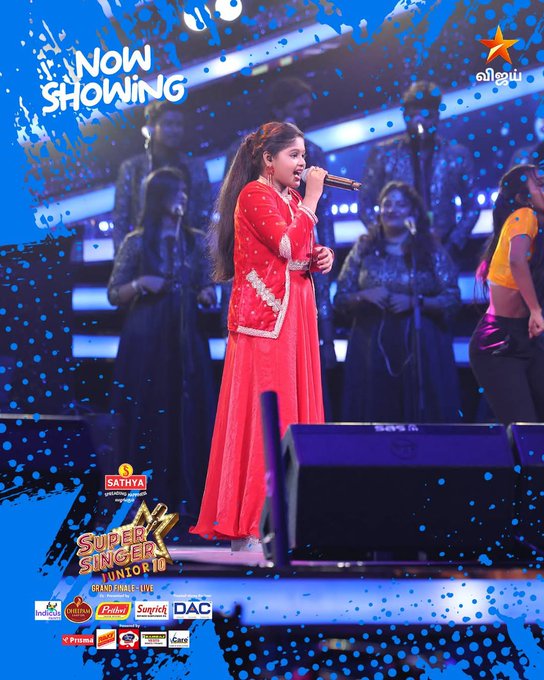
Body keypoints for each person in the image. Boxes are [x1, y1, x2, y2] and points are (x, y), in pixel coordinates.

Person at [190, 121, 334, 550]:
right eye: (294, 155)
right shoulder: (254, 194)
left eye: (304, 156)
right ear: (268, 159)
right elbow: (284, 246)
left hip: (295, 315)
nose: (303, 163)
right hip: (266, 321)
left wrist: (320, 256)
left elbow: (297, 253)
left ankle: (296, 518)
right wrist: (313, 200)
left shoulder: (291, 199)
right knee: (270, 415)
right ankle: (255, 523)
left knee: (297, 412)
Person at [108, 167, 217, 522]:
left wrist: (206, 295)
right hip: (146, 338)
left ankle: (189, 497)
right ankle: (139, 501)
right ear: (159, 197)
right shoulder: (137, 241)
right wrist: (141, 283)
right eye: (176, 191)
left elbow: (208, 285)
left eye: (185, 190)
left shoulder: (195, 240)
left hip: (185, 338)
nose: (183, 197)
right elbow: (114, 293)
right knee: (147, 410)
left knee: (188, 410)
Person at [335, 181, 461, 423]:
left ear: (413, 212)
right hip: (370, 351)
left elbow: (452, 298)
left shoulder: (430, 249)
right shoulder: (364, 247)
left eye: (401, 205)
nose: (392, 210)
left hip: (421, 349)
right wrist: (364, 295)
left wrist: (416, 302)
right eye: (387, 204)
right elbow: (340, 298)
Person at [358, 81, 480, 264]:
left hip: (444, 250)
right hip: (395, 254)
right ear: (404, 116)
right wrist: (385, 239)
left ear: (437, 116)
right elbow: (364, 202)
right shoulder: (384, 154)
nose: (419, 122)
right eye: (412, 116)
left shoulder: (456, 155)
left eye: (426, 115)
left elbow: (472, 207)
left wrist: (453, 244)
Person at [469, 164, 544, 425]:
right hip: (499, 341)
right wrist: (535, 310)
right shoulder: (524, 215)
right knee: (525, 430)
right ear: (524, 198)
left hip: (529, 338)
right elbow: (516, 261)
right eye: (540, 185)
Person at [113, 100, 212, 252]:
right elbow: (121, 220)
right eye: (168, 124)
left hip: (187, 253)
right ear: (152, 127)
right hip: (144, 255)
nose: (175, 130)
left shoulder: (195, 168)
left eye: (179, 124)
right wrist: (124, 257)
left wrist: (203, 255)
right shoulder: (132, 169)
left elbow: (206, 214)